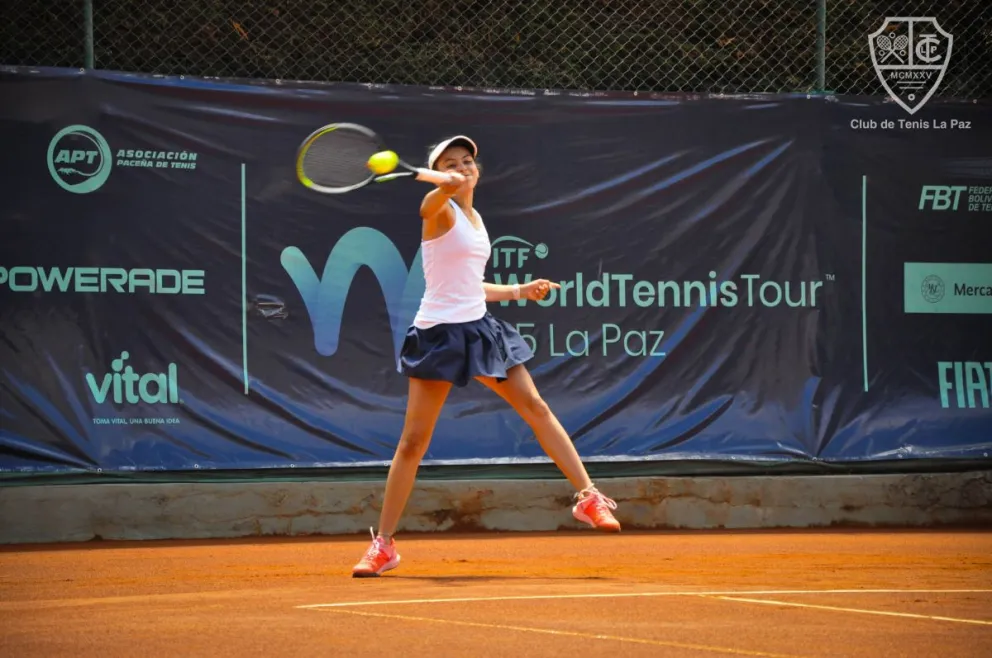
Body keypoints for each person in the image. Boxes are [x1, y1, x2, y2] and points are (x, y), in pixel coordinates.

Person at [352, 135, 620, 578]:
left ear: (478, 169)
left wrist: (518, 290)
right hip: (437, 334)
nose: (463, 167)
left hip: (479, 329)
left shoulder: (477, 220)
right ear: (438, 171)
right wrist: (444, 185)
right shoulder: (439, 211)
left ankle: (589, 497)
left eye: (468, 161)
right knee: (413, 443)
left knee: (535, 406)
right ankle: (384, 546)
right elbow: (426, 207)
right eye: (451, 162)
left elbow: (469, 285)